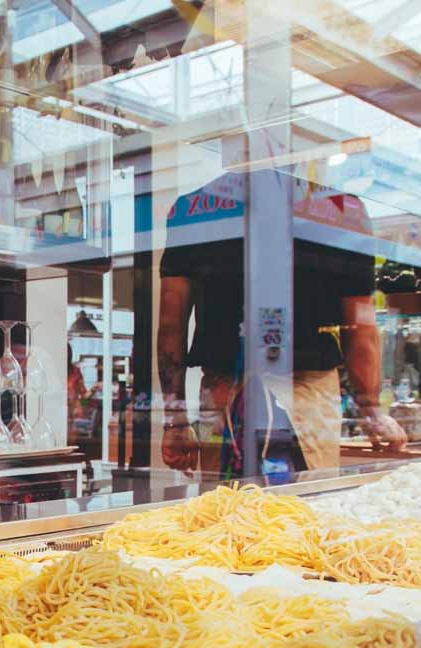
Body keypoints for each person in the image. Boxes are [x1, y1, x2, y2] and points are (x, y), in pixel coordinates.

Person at [156, 171, 406, 476]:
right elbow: (360, 327)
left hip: (222, 395)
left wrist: (176, 420)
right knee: (302, 514)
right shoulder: (342, 209)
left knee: (223, 515)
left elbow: (172, 325)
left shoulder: (191, 208)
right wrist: (371, 410)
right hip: (307, 399)